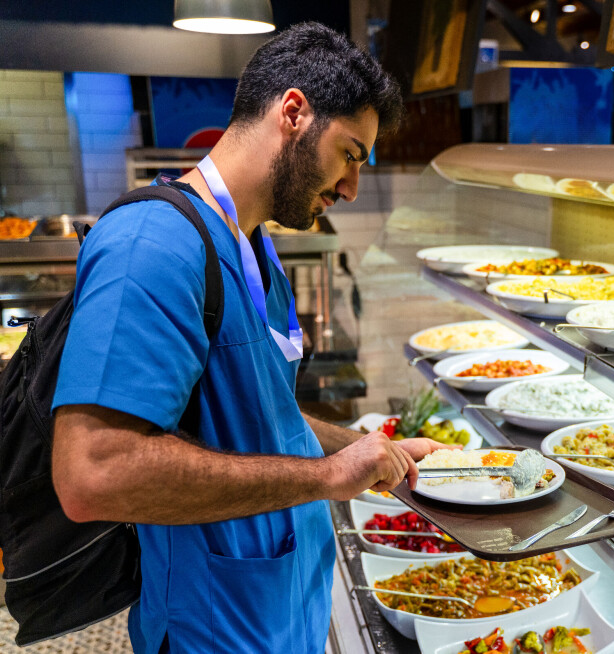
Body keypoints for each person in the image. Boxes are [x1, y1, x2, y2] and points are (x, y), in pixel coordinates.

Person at [50, 23, 442, 653]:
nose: (351, 188)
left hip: (281, 617)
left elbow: (261, 415)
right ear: (294, 113)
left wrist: (373, 453)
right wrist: (326, 476)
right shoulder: (151, 245)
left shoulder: (254, 245)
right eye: (350, 154)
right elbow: (92, 473)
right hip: (211, 630)